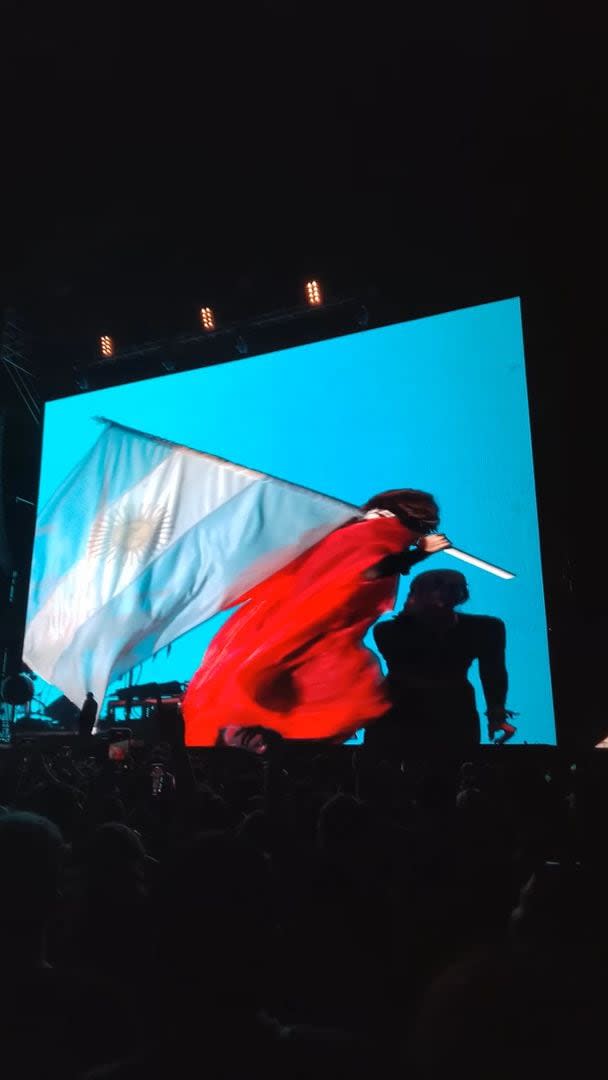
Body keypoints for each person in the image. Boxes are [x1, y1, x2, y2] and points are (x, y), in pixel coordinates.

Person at [183, 489, 450, 746]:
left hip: (290, 629)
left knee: (273, 698)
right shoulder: (377, 532)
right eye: (423, 527)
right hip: (308, 631)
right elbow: (364, 573)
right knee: (341, 696)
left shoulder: (343, 532)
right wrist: (418, 554)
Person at [366, 568, 516, 758]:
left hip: (434, 714)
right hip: (438, 712)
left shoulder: (387, 631)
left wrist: (497, 711)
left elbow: (493, 672)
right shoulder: (486, 629)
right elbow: (492, 671)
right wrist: (496, 712)